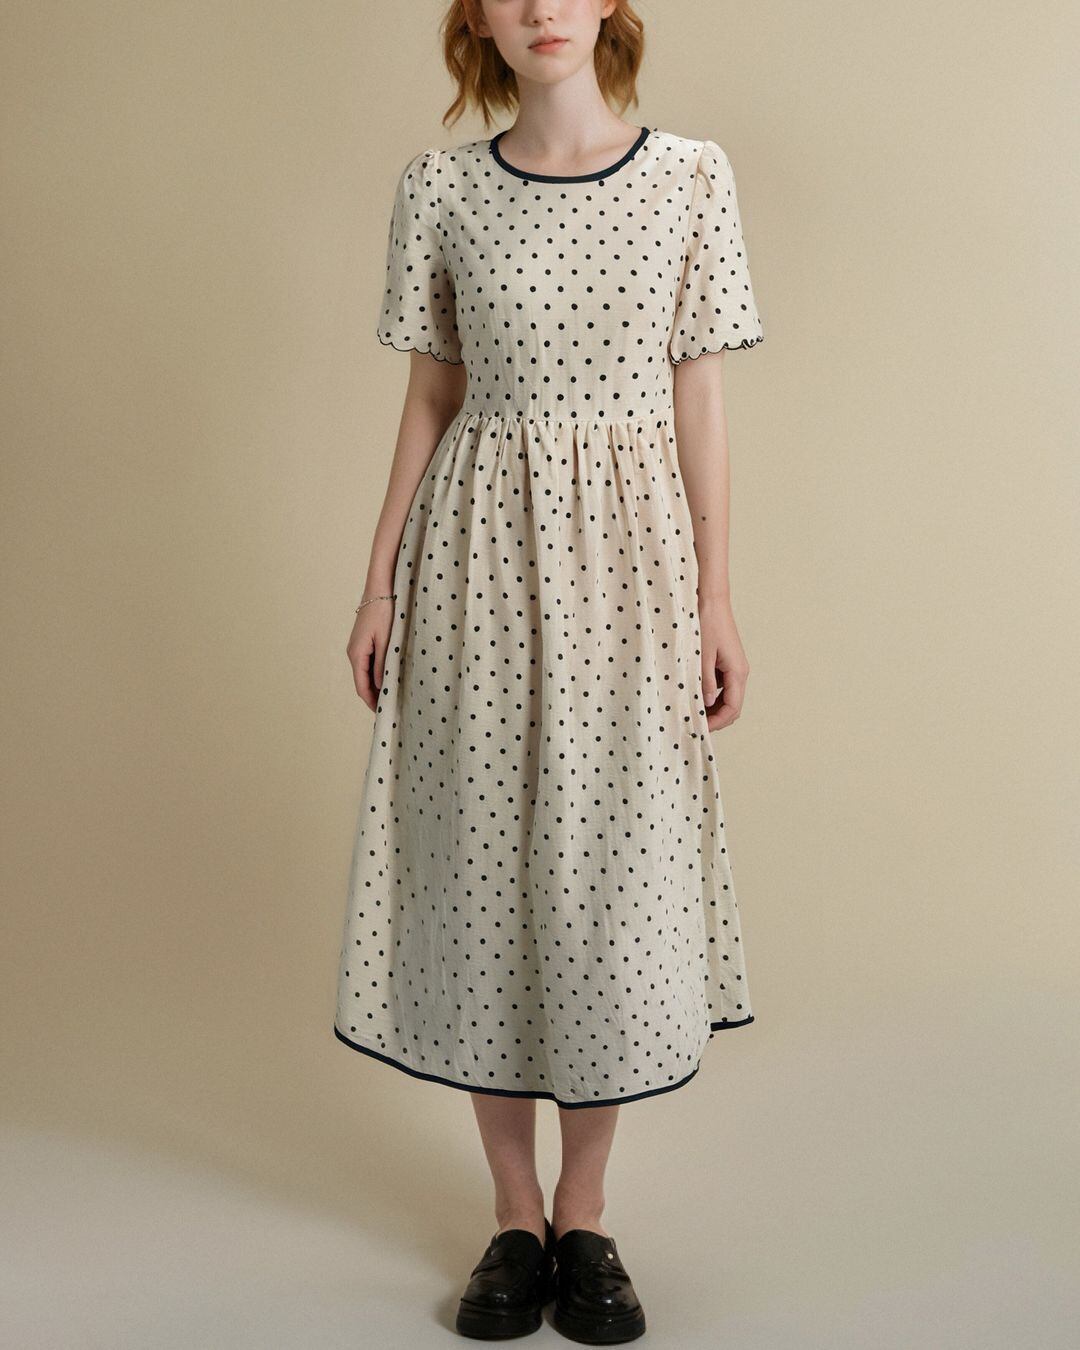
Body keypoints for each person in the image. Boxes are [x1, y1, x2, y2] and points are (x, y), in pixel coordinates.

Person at [336, 1, 765, 1341]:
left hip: (633, 571)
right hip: (476, 558)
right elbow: (431, 395)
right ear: (475, 17)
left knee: (610, 882)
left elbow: (700, 397)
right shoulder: (440, 187)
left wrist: (718, 597)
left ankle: (586, 1211)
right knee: (485, 874)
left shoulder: (691, 176)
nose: (540, 7)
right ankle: (514, 1217)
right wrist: (378, 580)